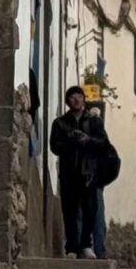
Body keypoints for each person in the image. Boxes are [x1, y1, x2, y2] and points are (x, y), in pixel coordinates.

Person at [49, 86, 108, 259]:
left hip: (88, 173)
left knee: (90, 210)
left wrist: (88, 140)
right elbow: (54, 146)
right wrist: (71, 141)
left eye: (79, 96)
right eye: (72, 97)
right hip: (69, 173)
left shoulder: (94, 122)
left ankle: (86, 245)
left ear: (83, 99)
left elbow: (103, 143)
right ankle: (71, 248)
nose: (76, 100)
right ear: (68, 101)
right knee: (70, 211)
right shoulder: (60, 123)